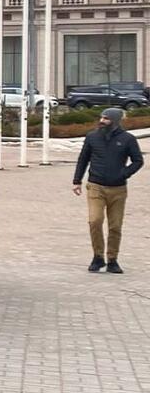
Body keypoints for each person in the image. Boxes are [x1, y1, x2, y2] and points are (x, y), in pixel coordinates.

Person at [72, 106, 144, 273]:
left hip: (118, 190)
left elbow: (138, 161)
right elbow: (83, 159)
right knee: (95, 221)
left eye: (106, 119)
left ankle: (112, 260)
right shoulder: (92, 137)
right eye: (101, 118)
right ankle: (98, 257)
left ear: (115, 121)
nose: (102, 121)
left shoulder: (128, 139)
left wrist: (124, 174)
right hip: (95, 186)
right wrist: (77, 181)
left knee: (115, 226)